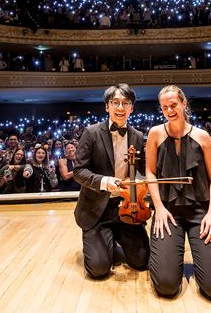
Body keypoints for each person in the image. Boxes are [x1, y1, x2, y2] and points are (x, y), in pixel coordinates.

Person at [145, 85, 211, 300]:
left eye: (173, 105)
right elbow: (150, 173)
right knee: (166, 286)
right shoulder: (155, 134)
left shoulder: (202, 136)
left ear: (184, 104)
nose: (170, 110)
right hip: (169, 212)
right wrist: (159, 209)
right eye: (165, 107)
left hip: (201, 212)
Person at [73, 84, 150, 279]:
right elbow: (79, 171)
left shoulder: (138, 136)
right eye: (115, 103)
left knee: (142, 262)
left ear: (132, 108)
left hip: (127, 207)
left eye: (126, 103)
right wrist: (104, 181)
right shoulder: (91, 133)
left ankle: (117, 238)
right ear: (107, 106)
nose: (120, 108)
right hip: (98, 210)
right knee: (98, 269)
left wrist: (140, 183)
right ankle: (103, 242)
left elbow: (143, 171)